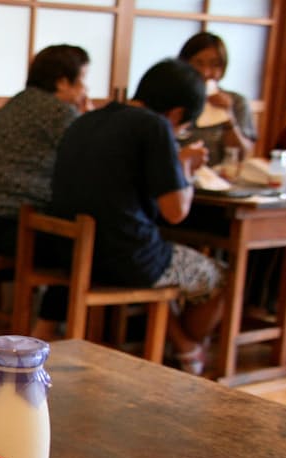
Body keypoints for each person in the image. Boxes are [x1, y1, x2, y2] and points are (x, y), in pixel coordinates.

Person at [47, 58, 225, 375]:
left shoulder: (87, 119)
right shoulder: (153, 126)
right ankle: (188, 350)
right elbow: (176, 212)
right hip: (124, 258)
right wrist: (184, 166)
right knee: (218, 276)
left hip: (67, 250)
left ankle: (182, 346)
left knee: (164, 264)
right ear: (178, 113)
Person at [0, 44, 90, 256]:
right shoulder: (59, 111)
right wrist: (89, 120)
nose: (85, 90)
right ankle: (47, 290)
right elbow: (91, 156)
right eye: (83, 80)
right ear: (63, 82)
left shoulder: (20, 101)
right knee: (78, 244)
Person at [178, 32, 256, 165]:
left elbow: (243, 155)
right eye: (198, 63)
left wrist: (228, 116)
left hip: (219, 179)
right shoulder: (173, 98)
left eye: (215, 65)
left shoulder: (236, 102)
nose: (206, 72)